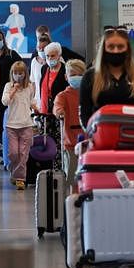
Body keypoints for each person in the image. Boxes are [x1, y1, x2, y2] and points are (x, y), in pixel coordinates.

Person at [79, 26, 134, 128]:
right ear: (103, 49)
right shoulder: (90, 77)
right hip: (101, 137)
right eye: (111, 47)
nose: (116, 51)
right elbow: (85, 114)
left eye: (120, 46)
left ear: (128, 49)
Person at [0, 29, 22, 170]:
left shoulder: (12, 54)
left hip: (10, 94)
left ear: (4, 39)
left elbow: (22, 69)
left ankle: (10, 155)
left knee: (8, 126)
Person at [2, 61, 38, 190]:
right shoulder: (8, 86)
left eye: (21, 73)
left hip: (26, 124)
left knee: (23, 154)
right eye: (15, 73)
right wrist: (13, 91)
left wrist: (35, 107)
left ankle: (20, 179)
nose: (18, 76)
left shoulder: (29, 87)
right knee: (13, 153)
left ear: (25, 74)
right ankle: (14, 171)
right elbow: (5, 101)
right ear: (12, 74)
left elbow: (31, 100)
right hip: (11, 125)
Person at [53, 59, 86, 191]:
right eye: (72, 75)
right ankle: (72, 201)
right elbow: (57, 107)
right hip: (71, 142)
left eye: (79, 74)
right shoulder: (63, 96)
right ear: (66, 77)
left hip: (89, 141)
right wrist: (60, 112)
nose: (76, 77)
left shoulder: (88, 95)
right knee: (72, 177)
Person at [30, 32, 51, 109]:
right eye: (39, 48)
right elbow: (33, 83)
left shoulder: (57, 60)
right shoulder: (34, 62)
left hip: (51, 101)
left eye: (44, 48)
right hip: (38, 102)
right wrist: (32, 101)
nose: (41, 50)